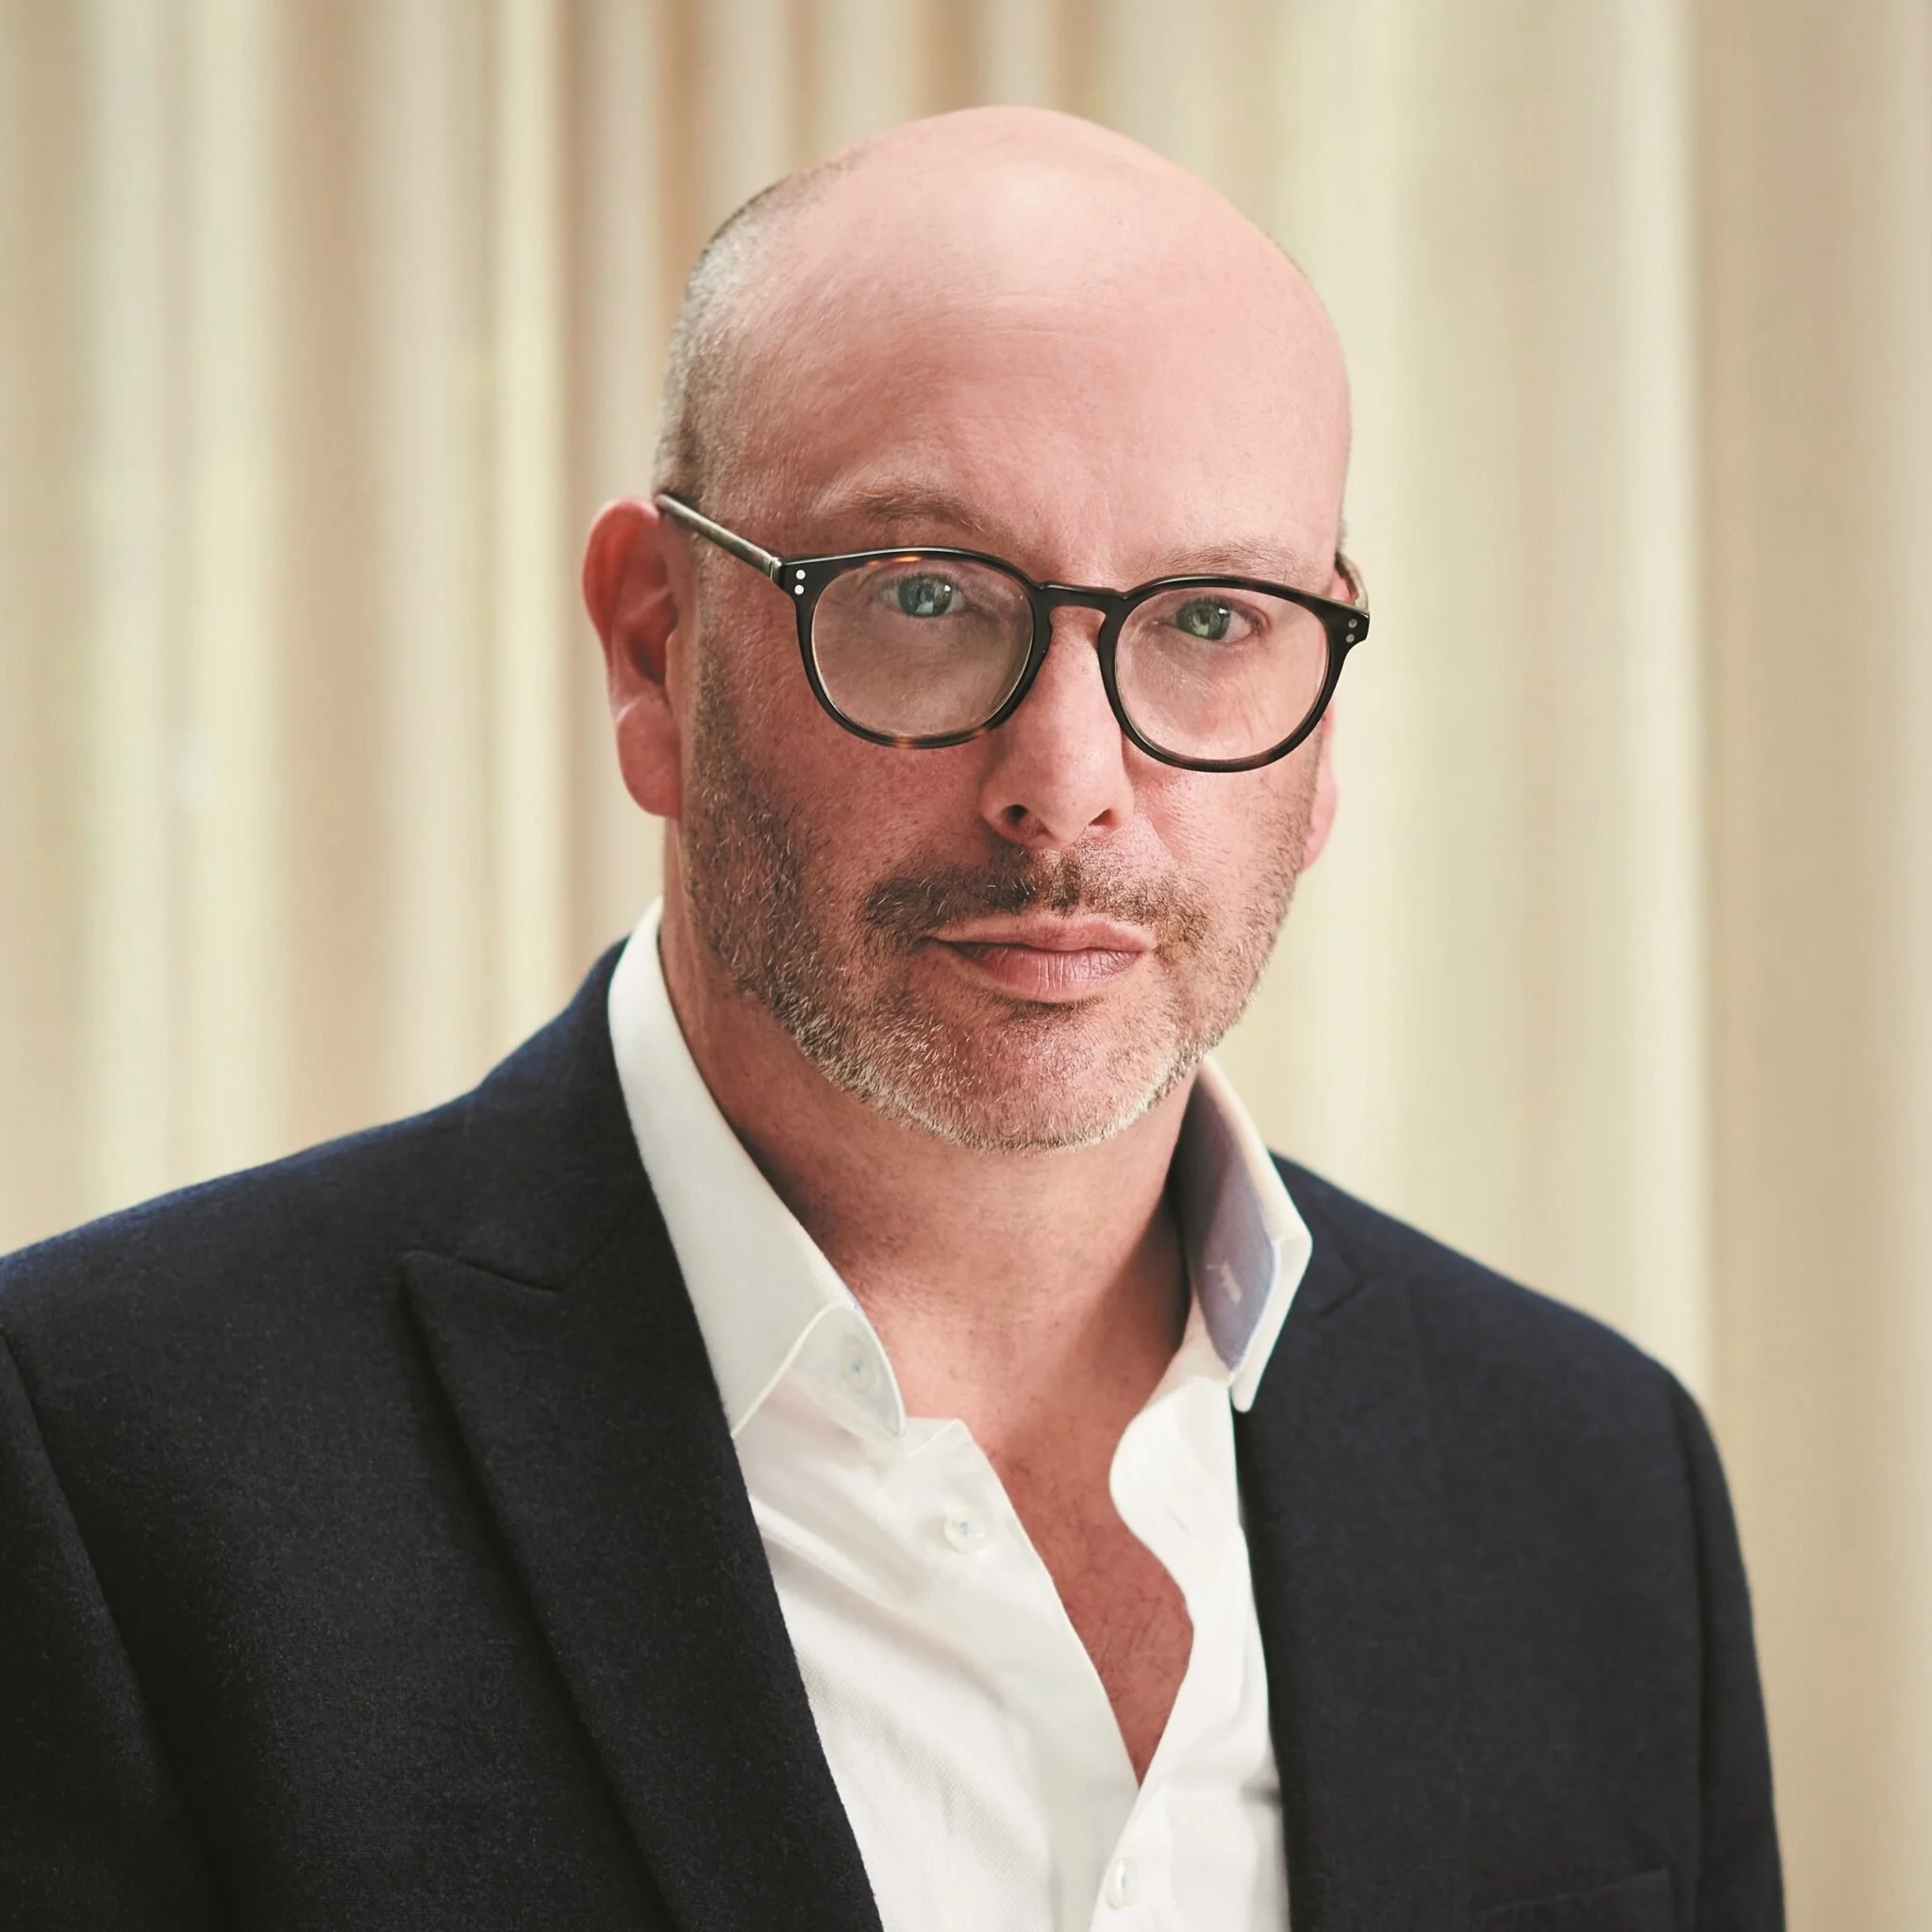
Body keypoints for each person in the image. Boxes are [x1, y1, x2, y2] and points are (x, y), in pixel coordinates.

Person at [0, 108, 1778, 1932]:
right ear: (653, 651)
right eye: (924, 597)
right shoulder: (101, 1463)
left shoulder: (1595, 1484)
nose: (1070, 784)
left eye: (1212, 619)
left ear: (1322, 720)